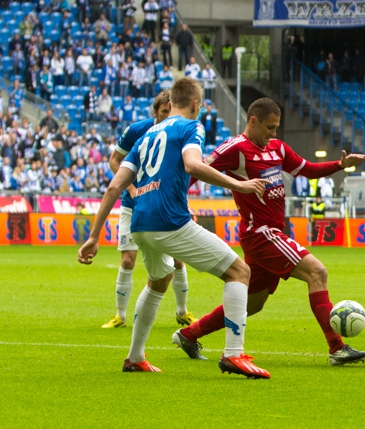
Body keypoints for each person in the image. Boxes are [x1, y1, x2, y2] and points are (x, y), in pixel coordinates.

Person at [78, 78, 271, 378]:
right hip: (169, 220)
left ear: (169, 104)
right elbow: (193, 165)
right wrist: (240, 184)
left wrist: (93, 236)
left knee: (159, 279)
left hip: (140, 222)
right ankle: (234, 354)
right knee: (239, 272)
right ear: (196, 104)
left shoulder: (145, 137)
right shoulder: (190, 127)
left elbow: (115, 185)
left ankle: (135, 357)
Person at [172, 97, 365, 366]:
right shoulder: (235, 149)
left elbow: (308, 170)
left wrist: (340, 165)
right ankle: (336, 347)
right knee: (317, 272)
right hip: (261, 233)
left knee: (253, 303)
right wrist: (181, 203)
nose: (273, 133)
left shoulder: (277, 147)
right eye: (269, 127)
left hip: (273, 233)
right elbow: (194, 172)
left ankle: (189, 334)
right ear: (253, 122)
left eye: (276, 127)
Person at [101, 91, 199, 329]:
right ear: (156, 112)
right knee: (127, 261)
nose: (168, 115)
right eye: (164, 112)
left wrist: (184, 203)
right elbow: (115, 160)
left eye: (170, 110)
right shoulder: (138, 130)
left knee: (177, 259)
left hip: (166, 204)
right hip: (132, 204)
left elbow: (181, 172)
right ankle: (120, 316)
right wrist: (132, 188)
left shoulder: (179, 130)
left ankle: (182, 311)